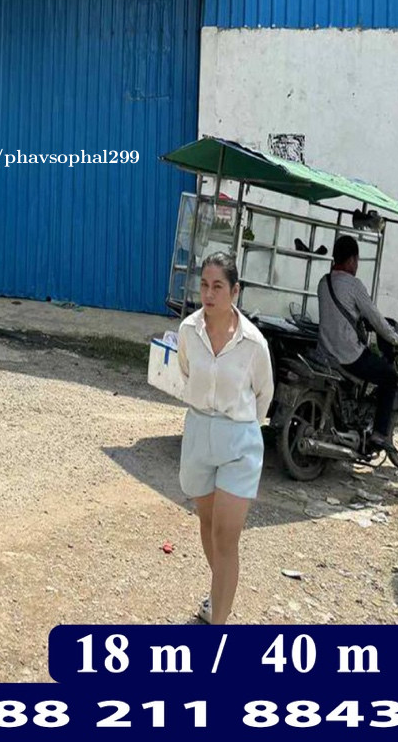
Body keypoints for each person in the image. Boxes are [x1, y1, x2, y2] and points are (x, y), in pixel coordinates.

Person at [175, 252, 274, 625]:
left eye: (218, 286)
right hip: (200, 433)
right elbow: (186, 372)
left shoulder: (253, 344)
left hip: (238, 442)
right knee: (207, 524)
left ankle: (219, 625)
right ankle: (221, 593)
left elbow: (264, 394)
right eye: (204, 285)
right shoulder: (189, 331)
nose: (208, 294)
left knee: (225, 535)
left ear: (235, 291)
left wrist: (240, 428)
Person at [317, 235, 398, 454]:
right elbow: (376, 318)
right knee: (390, 377)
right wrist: (394, 338)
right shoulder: (353, 285)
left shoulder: (324, 283)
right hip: (348, 355)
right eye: (357, 260)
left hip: (325, 352)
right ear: (352, 260)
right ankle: (379, 434)